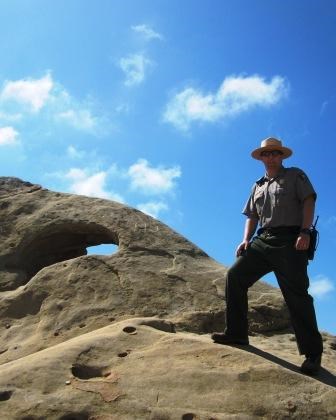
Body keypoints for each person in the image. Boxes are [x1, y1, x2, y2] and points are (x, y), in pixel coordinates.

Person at [212, 137, 323, 376]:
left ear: (281, 156)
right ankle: (237, 334)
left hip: (291, 241)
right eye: (266, 153)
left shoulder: (295, 175)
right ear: (261, 158)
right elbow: (251, 215)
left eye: (275, 153)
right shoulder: (258, 185)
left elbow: (309, 200)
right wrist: (246, 239)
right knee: (235, 276)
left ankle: (313, 355)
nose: (271, 157)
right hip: (263, 240)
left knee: (297, 296)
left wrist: (304, 231)